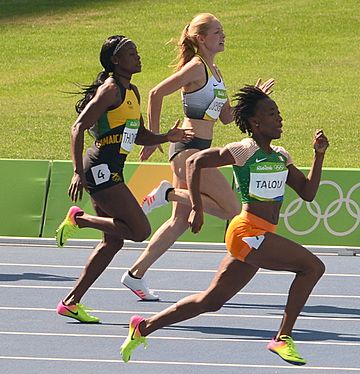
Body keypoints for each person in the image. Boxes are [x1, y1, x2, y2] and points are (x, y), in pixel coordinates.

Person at [120, 85, 329, 366]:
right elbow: (195, 160)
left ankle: (143, 327)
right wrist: (196, 206)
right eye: (272, 113)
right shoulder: (244, 150)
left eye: (278, 113)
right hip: (247, 232)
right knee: (313, 267)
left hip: (260, 235)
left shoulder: (280, 156)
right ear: (255, 123)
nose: (279, 118)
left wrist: (318, 155)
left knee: (211, 301)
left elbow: (307, 192)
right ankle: (282, 338)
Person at [120, 13, 274, 300]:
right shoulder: (195, 68)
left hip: (200, 149)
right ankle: (167, 194)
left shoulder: (215, 72)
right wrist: (154, 137)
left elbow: (228, 117)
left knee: (179, 223)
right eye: (217, 32)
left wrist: (256, 99)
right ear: (201, 39)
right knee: (232, 211)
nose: (223, 36)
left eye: (222, 31)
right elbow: (155, 93)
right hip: (189, 150)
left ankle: (135, 275)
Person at [54, 35, 193, 323]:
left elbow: (138, 134)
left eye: (137, 51)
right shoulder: (111, 90)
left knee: (113, 242)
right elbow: (78, 128)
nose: (138, 56)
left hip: (112, 168)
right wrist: (77, 171)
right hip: (99, 168)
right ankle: (78, 220)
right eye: (131, 53)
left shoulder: (132, 92)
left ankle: (71, 302)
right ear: (116, 61)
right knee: (140, 230)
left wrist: (166, 137)